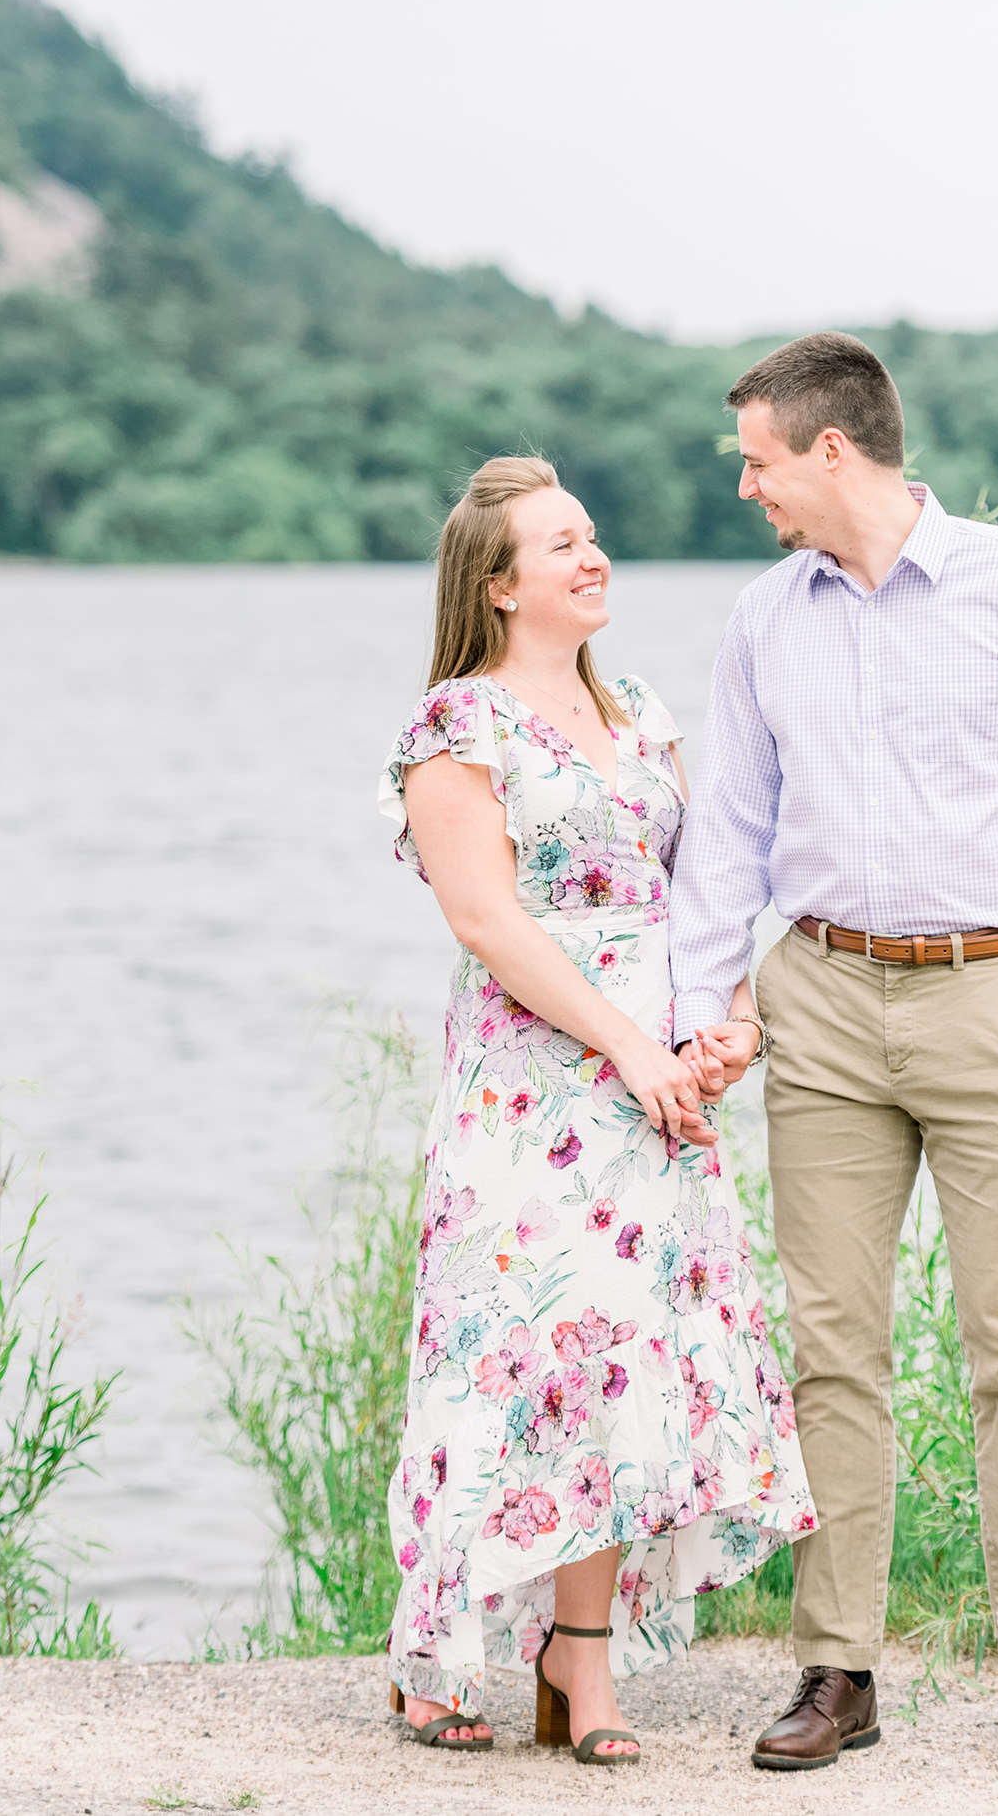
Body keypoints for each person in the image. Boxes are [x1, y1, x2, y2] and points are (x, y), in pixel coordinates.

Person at [670, 334, 998, 1781]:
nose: (746, 488)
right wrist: (714, 1006)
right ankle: (838, 1669)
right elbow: (730, 839)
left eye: (756, 460)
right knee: (831, 1349)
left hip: (993, 1001)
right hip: (817, 1000)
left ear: (834, 451)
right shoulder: (766, 617)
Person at [377, 455, 814, 1765]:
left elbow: (705, 883)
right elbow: (485, 921)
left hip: (658, 1077)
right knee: (507, 1357)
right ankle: (437, 1645)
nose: (592, 558)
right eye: (561, 547)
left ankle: (582, 1661)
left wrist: (721, 1022)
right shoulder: (455, 726)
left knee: (624, 1362)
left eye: (591, 537)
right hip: (535, 1086)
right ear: (502, 587)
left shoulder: (636, 707)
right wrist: (632, 1047)